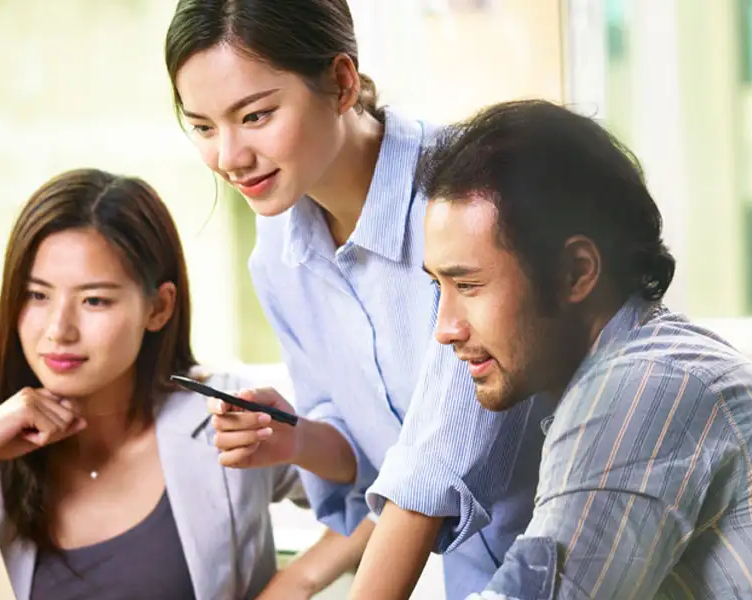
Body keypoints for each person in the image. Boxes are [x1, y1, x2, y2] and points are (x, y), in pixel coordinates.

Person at [164, 1, 551, 597]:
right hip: (477, 580)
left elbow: (430, 471)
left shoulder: (469, 199)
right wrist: (292, 437)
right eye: (204, 127)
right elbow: (368, 452)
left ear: (342, 83)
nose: (229, 157)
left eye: (257, 115)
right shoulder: (278, 256)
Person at [413, 99, 752, 599]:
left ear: (576, 272)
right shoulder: (653, 364)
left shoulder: (641, 388)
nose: (444, 328)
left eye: (469, 286)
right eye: (437, 287)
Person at [0, 168, 370, 600]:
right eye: (36, 295)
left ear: (159, 308)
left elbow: (389, 487)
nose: (57, 330)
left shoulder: (219, 424)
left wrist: (299, 580)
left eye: (95, 301)